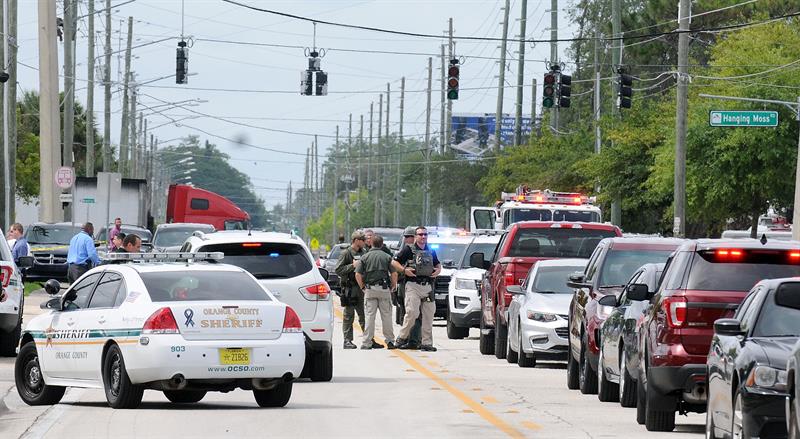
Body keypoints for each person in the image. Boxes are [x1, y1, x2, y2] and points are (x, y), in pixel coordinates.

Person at [392, 226, 441, 352]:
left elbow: (437, 263)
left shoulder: (431, 250)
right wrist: (404, 270)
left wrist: (439, 270)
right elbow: (394, 262)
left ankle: (427, 343)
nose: (423, 237)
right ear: (415, 236)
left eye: (425, 234)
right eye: (420, 234)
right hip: (413, 285)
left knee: (429, 315)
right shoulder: (408, 249)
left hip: (428, 286)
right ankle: (401, 338)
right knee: (412, 313)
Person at [355, 234, 398, 350]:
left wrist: (362, 287)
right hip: (384, 290)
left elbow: (357, 274)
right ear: (382, 244)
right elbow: (394, 273)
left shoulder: (365, 257)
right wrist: (393, 286)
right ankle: (390, 341)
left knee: (369, 317)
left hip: (370, 289)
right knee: (387, 316)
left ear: (372, 243)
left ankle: (367, 342)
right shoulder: (387, 256)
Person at [335, 231, 370, 349]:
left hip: (361, 287)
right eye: (362, 240)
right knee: (349, 315)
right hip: (350, 288)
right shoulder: (346, 253)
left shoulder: (364, 253)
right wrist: (352, 266)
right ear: (356, 240)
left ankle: (368, 339)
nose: (365, 242)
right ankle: (347, 340)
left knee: (364, 314)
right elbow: (338, 270)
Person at [395, 226, 423, 348]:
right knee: (406, 313)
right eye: (405, 237)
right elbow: (394, 266)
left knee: (414, 314)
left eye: (408, 237)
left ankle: (413, 340)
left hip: (416, 285)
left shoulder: (421, 251)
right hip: (404, 284)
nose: (406, 239)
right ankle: (409, 338)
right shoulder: (405, 251)